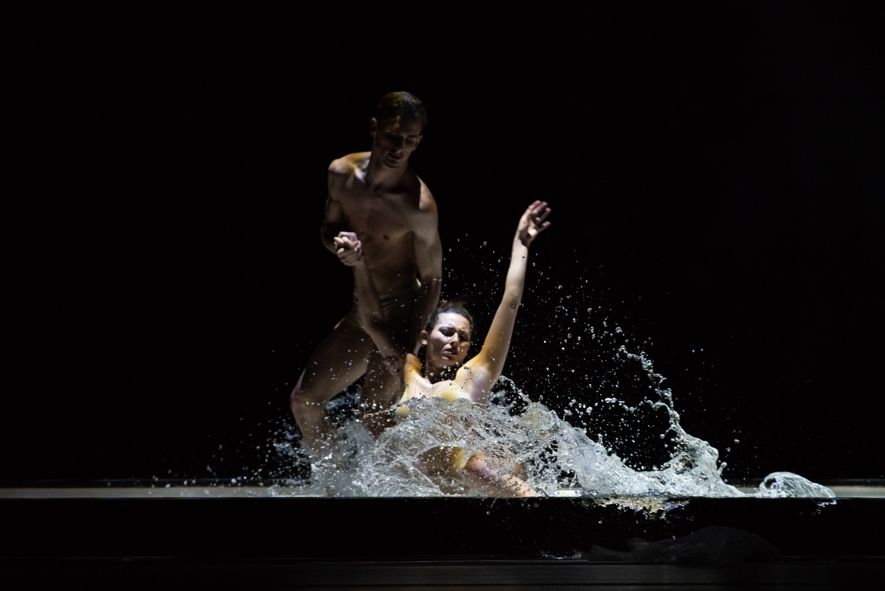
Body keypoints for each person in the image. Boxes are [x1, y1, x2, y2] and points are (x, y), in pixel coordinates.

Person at [357, 200, 552, 496]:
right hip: (432, 487)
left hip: (481, 475)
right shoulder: (408, 374)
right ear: (425, 337)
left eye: (463, 337)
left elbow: (511, 301)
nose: (455, 341)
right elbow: (373, 322)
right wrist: (359, 264)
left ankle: (539, 504)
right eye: (447, 332)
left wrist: (521, 244)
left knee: (476, 465)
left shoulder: (472, 376)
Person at [290, 91, 443, 456]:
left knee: (374, 418)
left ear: (418, 141)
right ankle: (338, 481)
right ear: (375, 128)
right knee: (304, 401)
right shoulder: (341, 173)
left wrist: (408, 345)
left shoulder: (419, 205)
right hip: (362, 313)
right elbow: (328, 231)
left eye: (410, 140)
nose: (399, 148)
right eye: (393, 136)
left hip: (399, 317)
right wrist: (339, 246)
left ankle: (417, 481)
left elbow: (433, 279)